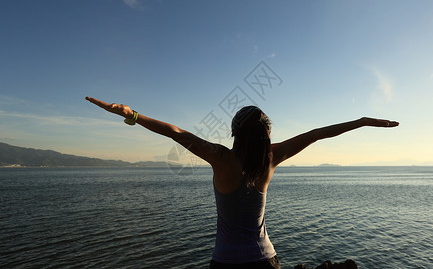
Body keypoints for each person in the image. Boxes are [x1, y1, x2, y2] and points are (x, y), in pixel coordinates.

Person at [85, 97, 399, 268]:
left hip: (225, 263)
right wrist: (361, 123)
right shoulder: (271, 159)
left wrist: (132, 114)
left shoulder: (220, 158)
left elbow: (175, 132)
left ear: (235, 132)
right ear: (267, 133)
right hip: (265, 260)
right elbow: (318, 133)